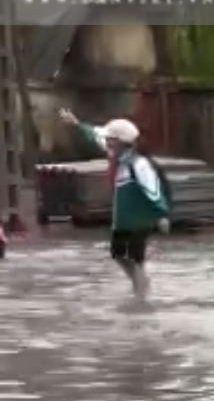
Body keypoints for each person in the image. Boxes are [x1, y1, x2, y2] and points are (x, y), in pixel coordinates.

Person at [59, 109, 169, 301]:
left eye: (111, 140)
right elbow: (96, 134)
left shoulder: (138, 163)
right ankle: (140, 284)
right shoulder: (115, 152)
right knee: (118, 254)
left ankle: (141, 294)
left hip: (139, 217)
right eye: (108, 140)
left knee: (135, 257)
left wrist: (162, 214)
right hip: (123, 218)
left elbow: (153, 189)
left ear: (122, 142)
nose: (107, 142)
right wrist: (76, 123)